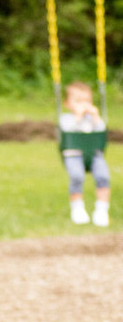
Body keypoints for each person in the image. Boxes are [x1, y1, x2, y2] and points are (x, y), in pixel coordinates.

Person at [59, 80, 111, 227]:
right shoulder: (66, 119)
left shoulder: (93, 119)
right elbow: (69, 129)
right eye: (78, 101)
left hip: (95, 154)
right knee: (77, 177)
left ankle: (101, 210)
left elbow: (101, 129)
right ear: (67, 104)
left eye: (87, 101)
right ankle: (77, 209)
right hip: (73, 155)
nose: (83, 104)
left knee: (103, 177)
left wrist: (95, 116)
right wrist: (79, 116)